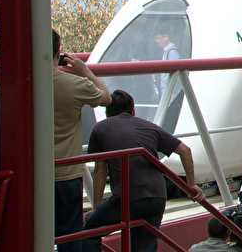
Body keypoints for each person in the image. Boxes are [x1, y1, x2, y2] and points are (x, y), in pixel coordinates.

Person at [83, 90, 201, 251]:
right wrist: (191, 186)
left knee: (89, 231)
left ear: (107, 111)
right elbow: (185, 150)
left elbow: (100, 171)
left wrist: (96, 209)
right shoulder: (148, 126)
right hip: (157, 196)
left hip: (127, 198)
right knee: (144, 246)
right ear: (132, 110)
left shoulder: (100, 128)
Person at [53, 29, 111, 252]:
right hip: (67, 174)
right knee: (70, 236)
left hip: (33, 175)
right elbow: (107, 97)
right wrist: (85, 70)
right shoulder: (73, 84)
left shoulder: (23, 82)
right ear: (59, 53)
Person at [154, 32, 180, 98]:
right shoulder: (167, 51)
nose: (157, 41)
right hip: (167, 89)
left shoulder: (172, 52)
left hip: (170, 90)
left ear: (166, 37)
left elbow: (176, 72)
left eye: (158, 38)